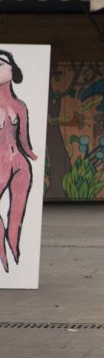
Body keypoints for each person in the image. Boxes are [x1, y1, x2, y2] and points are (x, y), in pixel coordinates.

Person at [0, 49, 35, 274]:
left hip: (21, 165)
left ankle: (14, 253)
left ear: (12, 70)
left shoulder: (20, 106)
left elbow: (26, 142)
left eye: (1, 63)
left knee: (16, 217)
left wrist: (33, 155)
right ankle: (2, 256)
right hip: (1, 163)